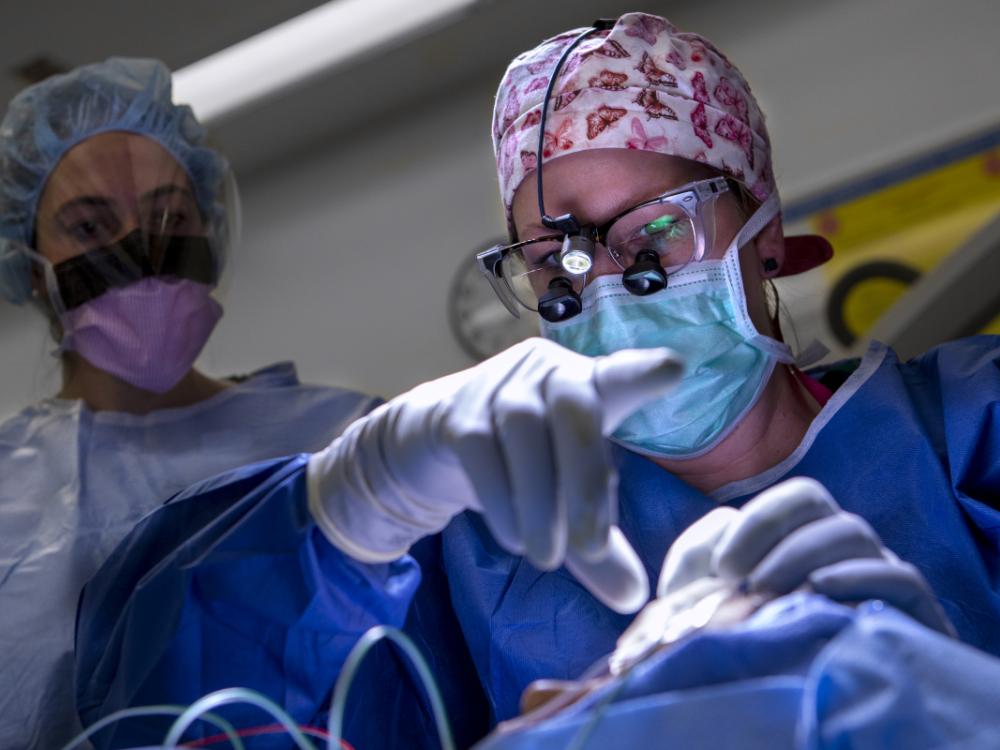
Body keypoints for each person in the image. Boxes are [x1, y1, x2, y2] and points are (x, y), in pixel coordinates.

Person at [75, 13, 1000, 749]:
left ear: (764, 232)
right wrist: (346, 507)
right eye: (557, 264)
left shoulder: (968, 434)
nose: (606, 284)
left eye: (653, 235)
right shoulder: (475, 555)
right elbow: (174, 712)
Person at [0, 58, 379, 749]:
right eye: (88, 228)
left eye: (169, 215)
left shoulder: (349, 437)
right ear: (30, 271)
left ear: (210, 230)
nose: (140, 250)